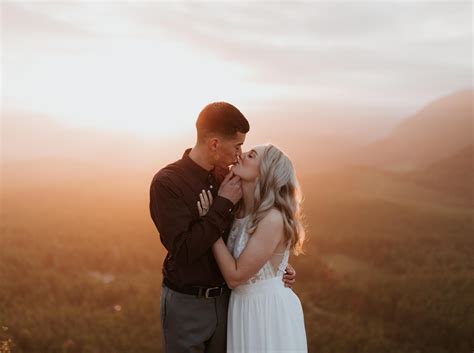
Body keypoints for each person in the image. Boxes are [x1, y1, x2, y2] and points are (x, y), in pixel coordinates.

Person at [149, 102, 297, 353]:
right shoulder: (168, 183)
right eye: (237, 146)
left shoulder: (228, 177)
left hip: (230, 303)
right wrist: (221, 206)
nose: (240, 153)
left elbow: (250, 228)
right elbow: (184, 250)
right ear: (215, 144)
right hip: (188, 303)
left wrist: (274, 263)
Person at [198, 144, 308, 353]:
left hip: (267, 311)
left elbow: (235, 276)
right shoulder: (237, 209)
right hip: (241, 307)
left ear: (265, 172)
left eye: (251, 155)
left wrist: (208, 222)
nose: (241, 154)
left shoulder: (273, 218)